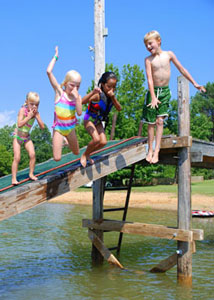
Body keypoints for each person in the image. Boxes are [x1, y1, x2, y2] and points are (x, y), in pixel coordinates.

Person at [142, 30, 206, 164]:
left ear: (158, 41)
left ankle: (157, 151)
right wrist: (153, 97)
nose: (148, 47)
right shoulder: (148, 60)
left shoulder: (168, 55)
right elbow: (149, 79)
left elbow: (182, 69)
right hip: (153, 92)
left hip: (164, 92)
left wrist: (195, 84)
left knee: (160, 121)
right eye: (146, 45)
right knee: (151, 123)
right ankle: (150, 149)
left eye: (150, 43)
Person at [47, 46, 82, 161]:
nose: (75, 88)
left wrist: (77, 98)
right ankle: (62, 139)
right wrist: (56, 56)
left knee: (76, 152)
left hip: (70, 128)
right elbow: (48, 72)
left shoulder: (77, 97)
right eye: (72, 85)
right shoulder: (59, 92)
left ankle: (66, 140)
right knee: (57, 158)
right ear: (66, 83)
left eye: (78, 86)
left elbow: (79, 113)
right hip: (59, 128)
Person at [80, 71, 122, 168]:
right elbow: (82, 101)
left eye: (114, 87)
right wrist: (92, 92)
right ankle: (84, 154)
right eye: (109, 86)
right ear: (103, 85)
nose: (111, 89)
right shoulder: (98, 95)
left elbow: (119, 108)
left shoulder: (112, 98)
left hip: (98, 121)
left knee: (103, 142)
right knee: (96, 139)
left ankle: (88, 154)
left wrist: (113, 97)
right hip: (89, 119)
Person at [11, 92, 45, 185]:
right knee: (17, 157)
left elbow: (42, 127)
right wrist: (29, 116)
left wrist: (37, 116)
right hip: (17, 136)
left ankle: (31, 174)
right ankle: (14, 178)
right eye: (32, 104)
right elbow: (19, 124)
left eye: (36, 105)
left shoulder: (36, 113)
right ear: (26, 102)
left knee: (32, 154)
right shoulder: (22, 110)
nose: (34, 106)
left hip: (27, 137)